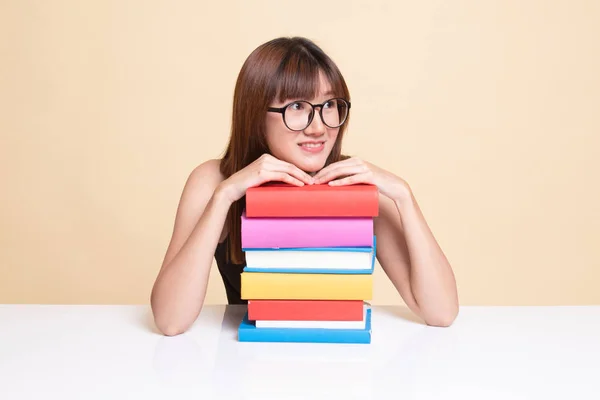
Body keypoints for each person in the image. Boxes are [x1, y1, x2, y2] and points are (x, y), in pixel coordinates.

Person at [150, 37, 459, 336]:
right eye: (297, 106)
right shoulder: (215, 181)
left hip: (340, 359)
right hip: (253, 361)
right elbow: (170, 320)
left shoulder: (355, 183)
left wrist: (404, 195)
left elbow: (441, 312)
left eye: (329, 105)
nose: (318, 126)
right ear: (256, 115)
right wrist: (226, 195)